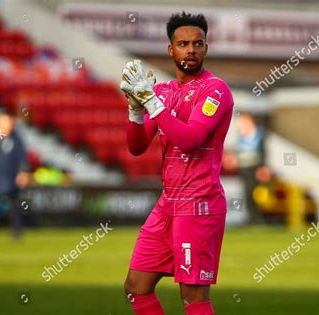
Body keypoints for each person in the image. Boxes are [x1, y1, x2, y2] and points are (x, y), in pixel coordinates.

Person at [120, 12, 234, 315]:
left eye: (198, 43)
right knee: (136, 287)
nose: (191, 50)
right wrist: (134, 110)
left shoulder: (216, 90)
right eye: (183, 44)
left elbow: (190, 138)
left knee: (192, 298)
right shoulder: (163, 91)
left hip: (199, 204)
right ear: (171, 50)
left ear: (207, 48)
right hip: (167, 204)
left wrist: (151, 104)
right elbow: (136, 146)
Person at [235, 112, 265, 223]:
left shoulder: (258, 134)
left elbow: (263, 152)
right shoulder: (241, 135)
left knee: (254, 193)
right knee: (247, 193)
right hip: (244, 168)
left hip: (255, 168)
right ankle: (252, 218)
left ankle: (257, 218)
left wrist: (262, 167)